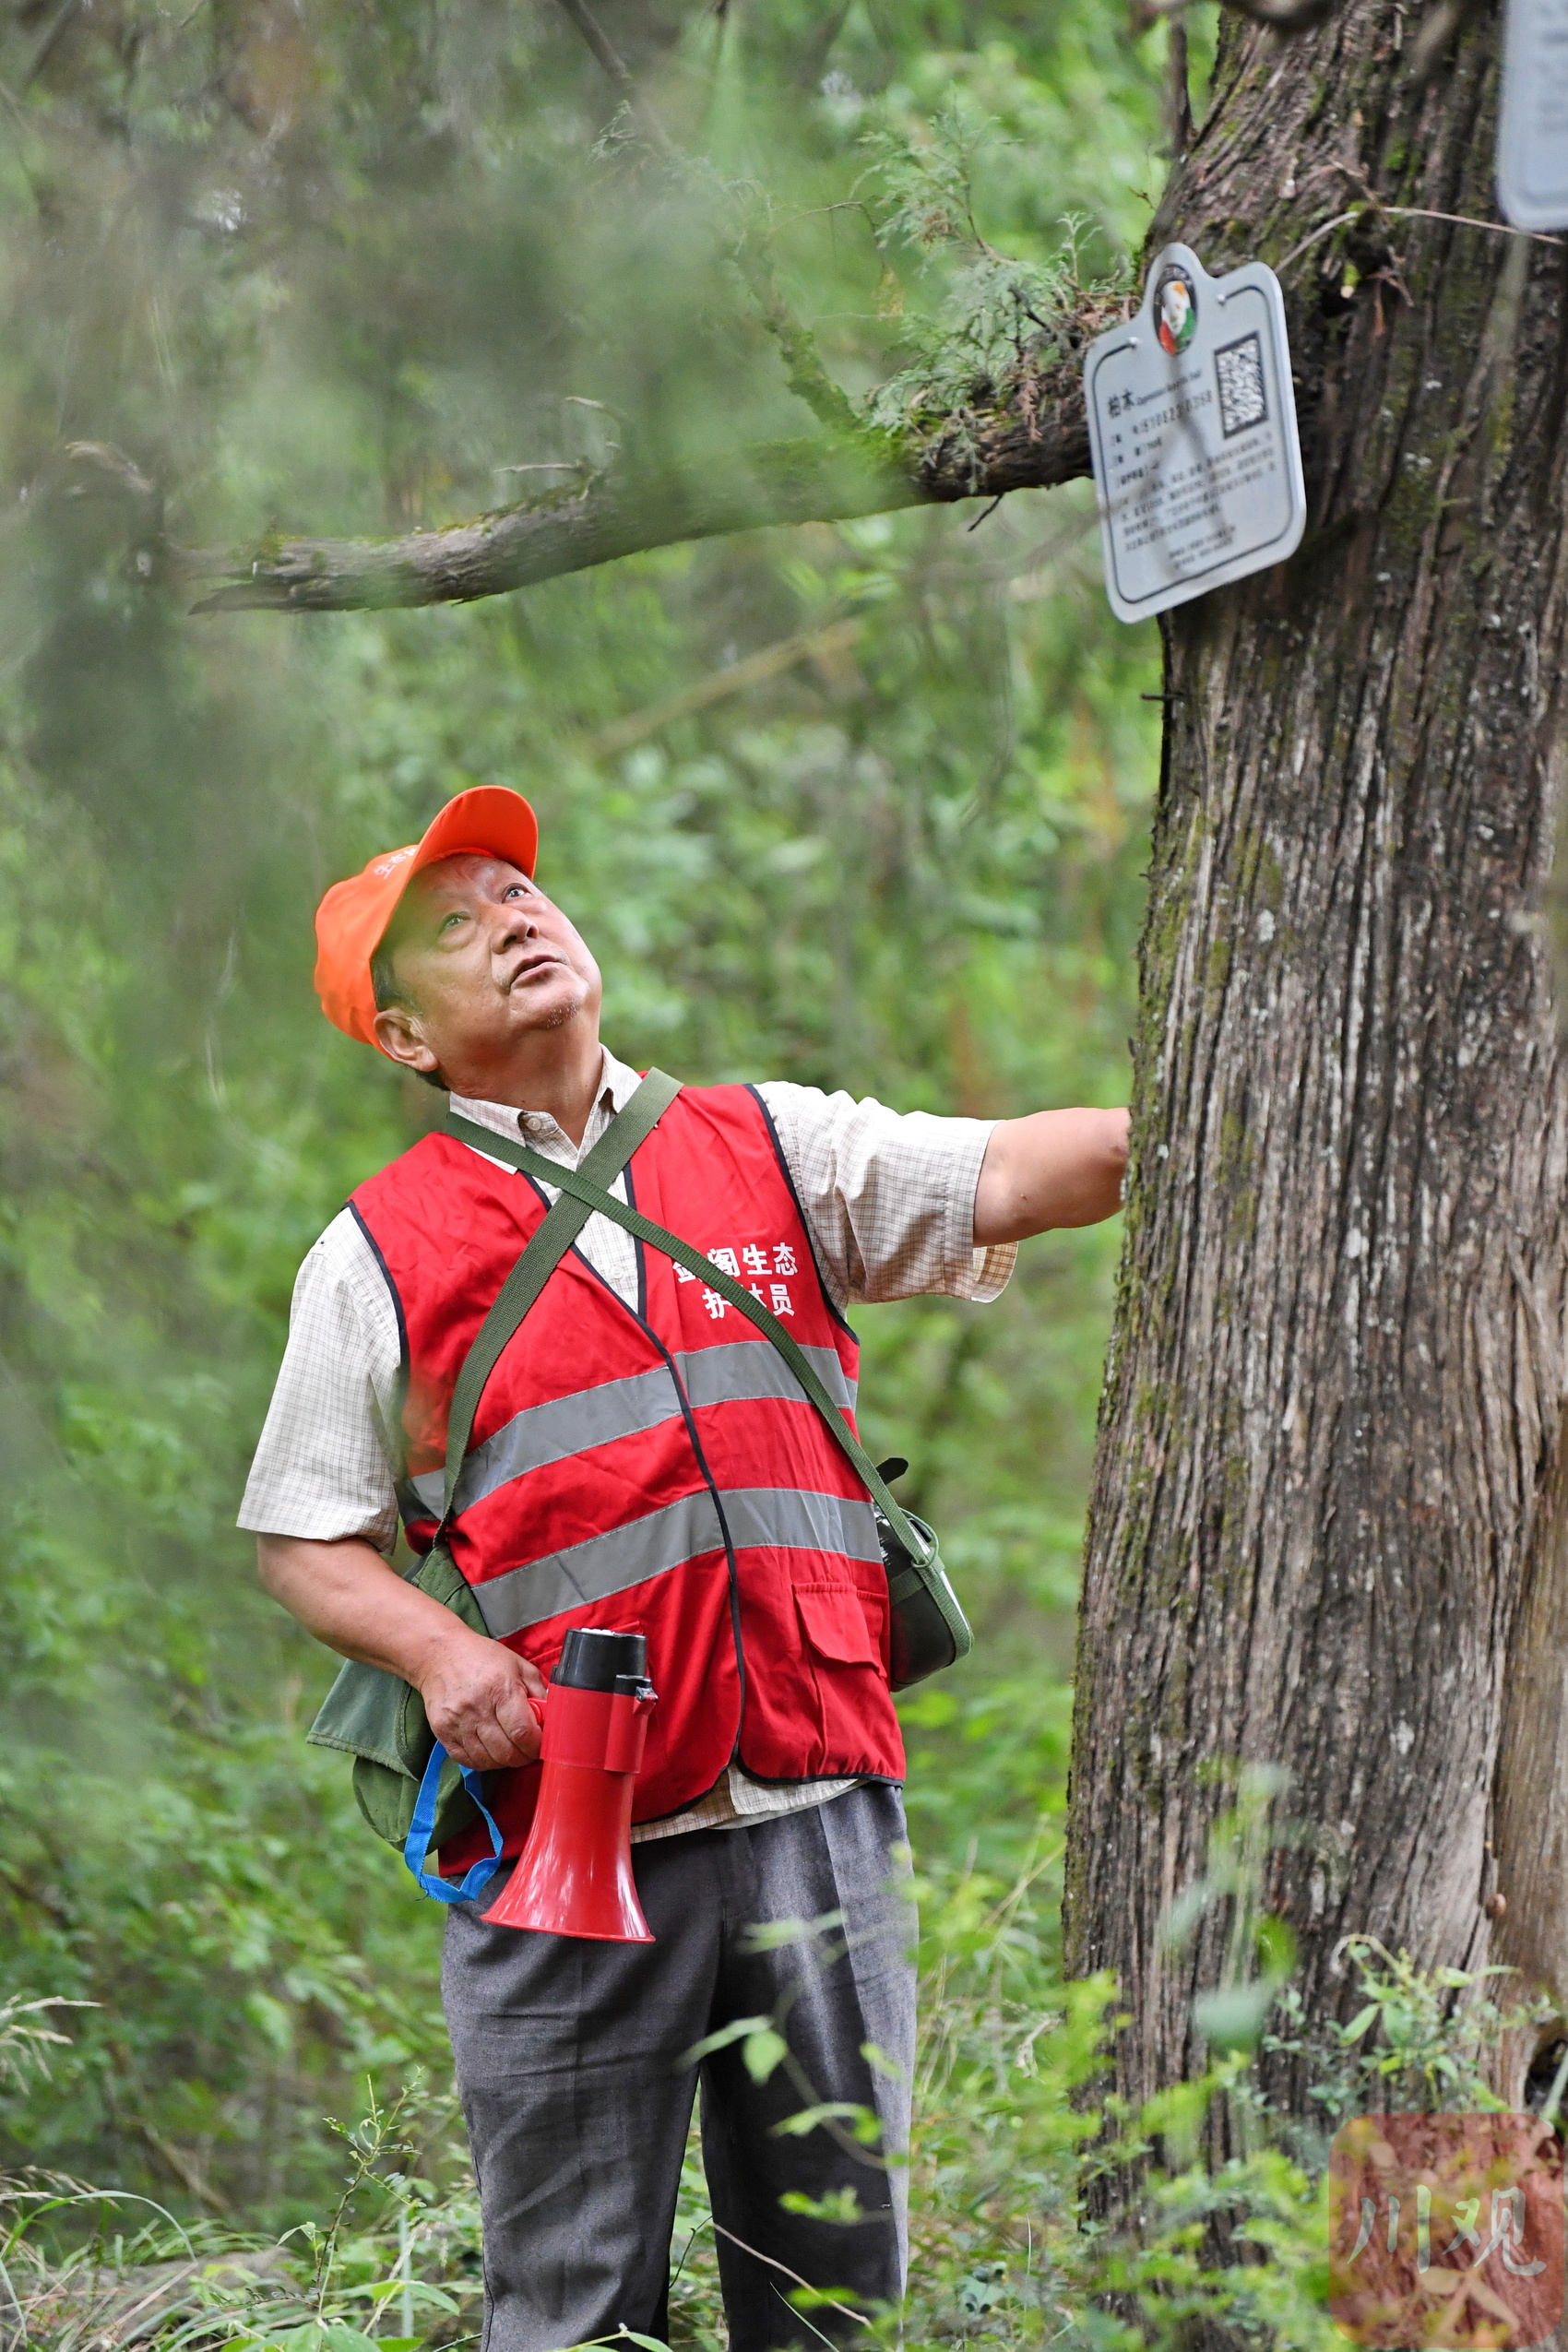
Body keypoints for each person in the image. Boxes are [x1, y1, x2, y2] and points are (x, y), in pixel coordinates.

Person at [242, 785, 1128, 2352]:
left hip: (817, 1810)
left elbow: (1006, 1174)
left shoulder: (769, 1142)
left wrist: (1202, 1115)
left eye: (520, 891)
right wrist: (444, 1658)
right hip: (566, 1845)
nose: (513, 919)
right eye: (454, 923)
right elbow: (303, 1534)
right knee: (575, 2306)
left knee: (835, 2298)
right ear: (404, 1036)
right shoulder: (374, 1252)